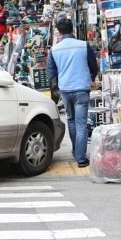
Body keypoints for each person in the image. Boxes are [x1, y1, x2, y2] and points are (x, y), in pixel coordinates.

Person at [46, 18, 98, 168]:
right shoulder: (83, 45)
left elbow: (50, 71)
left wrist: (56, 86)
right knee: (81, 123)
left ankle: (76, 151)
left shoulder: (54, 49)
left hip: (65, 89)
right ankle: (81, 158)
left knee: (71, 120)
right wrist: (91, 78)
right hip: (81, 87)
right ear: (72, 29)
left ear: (59, 31)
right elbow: (93, 65)